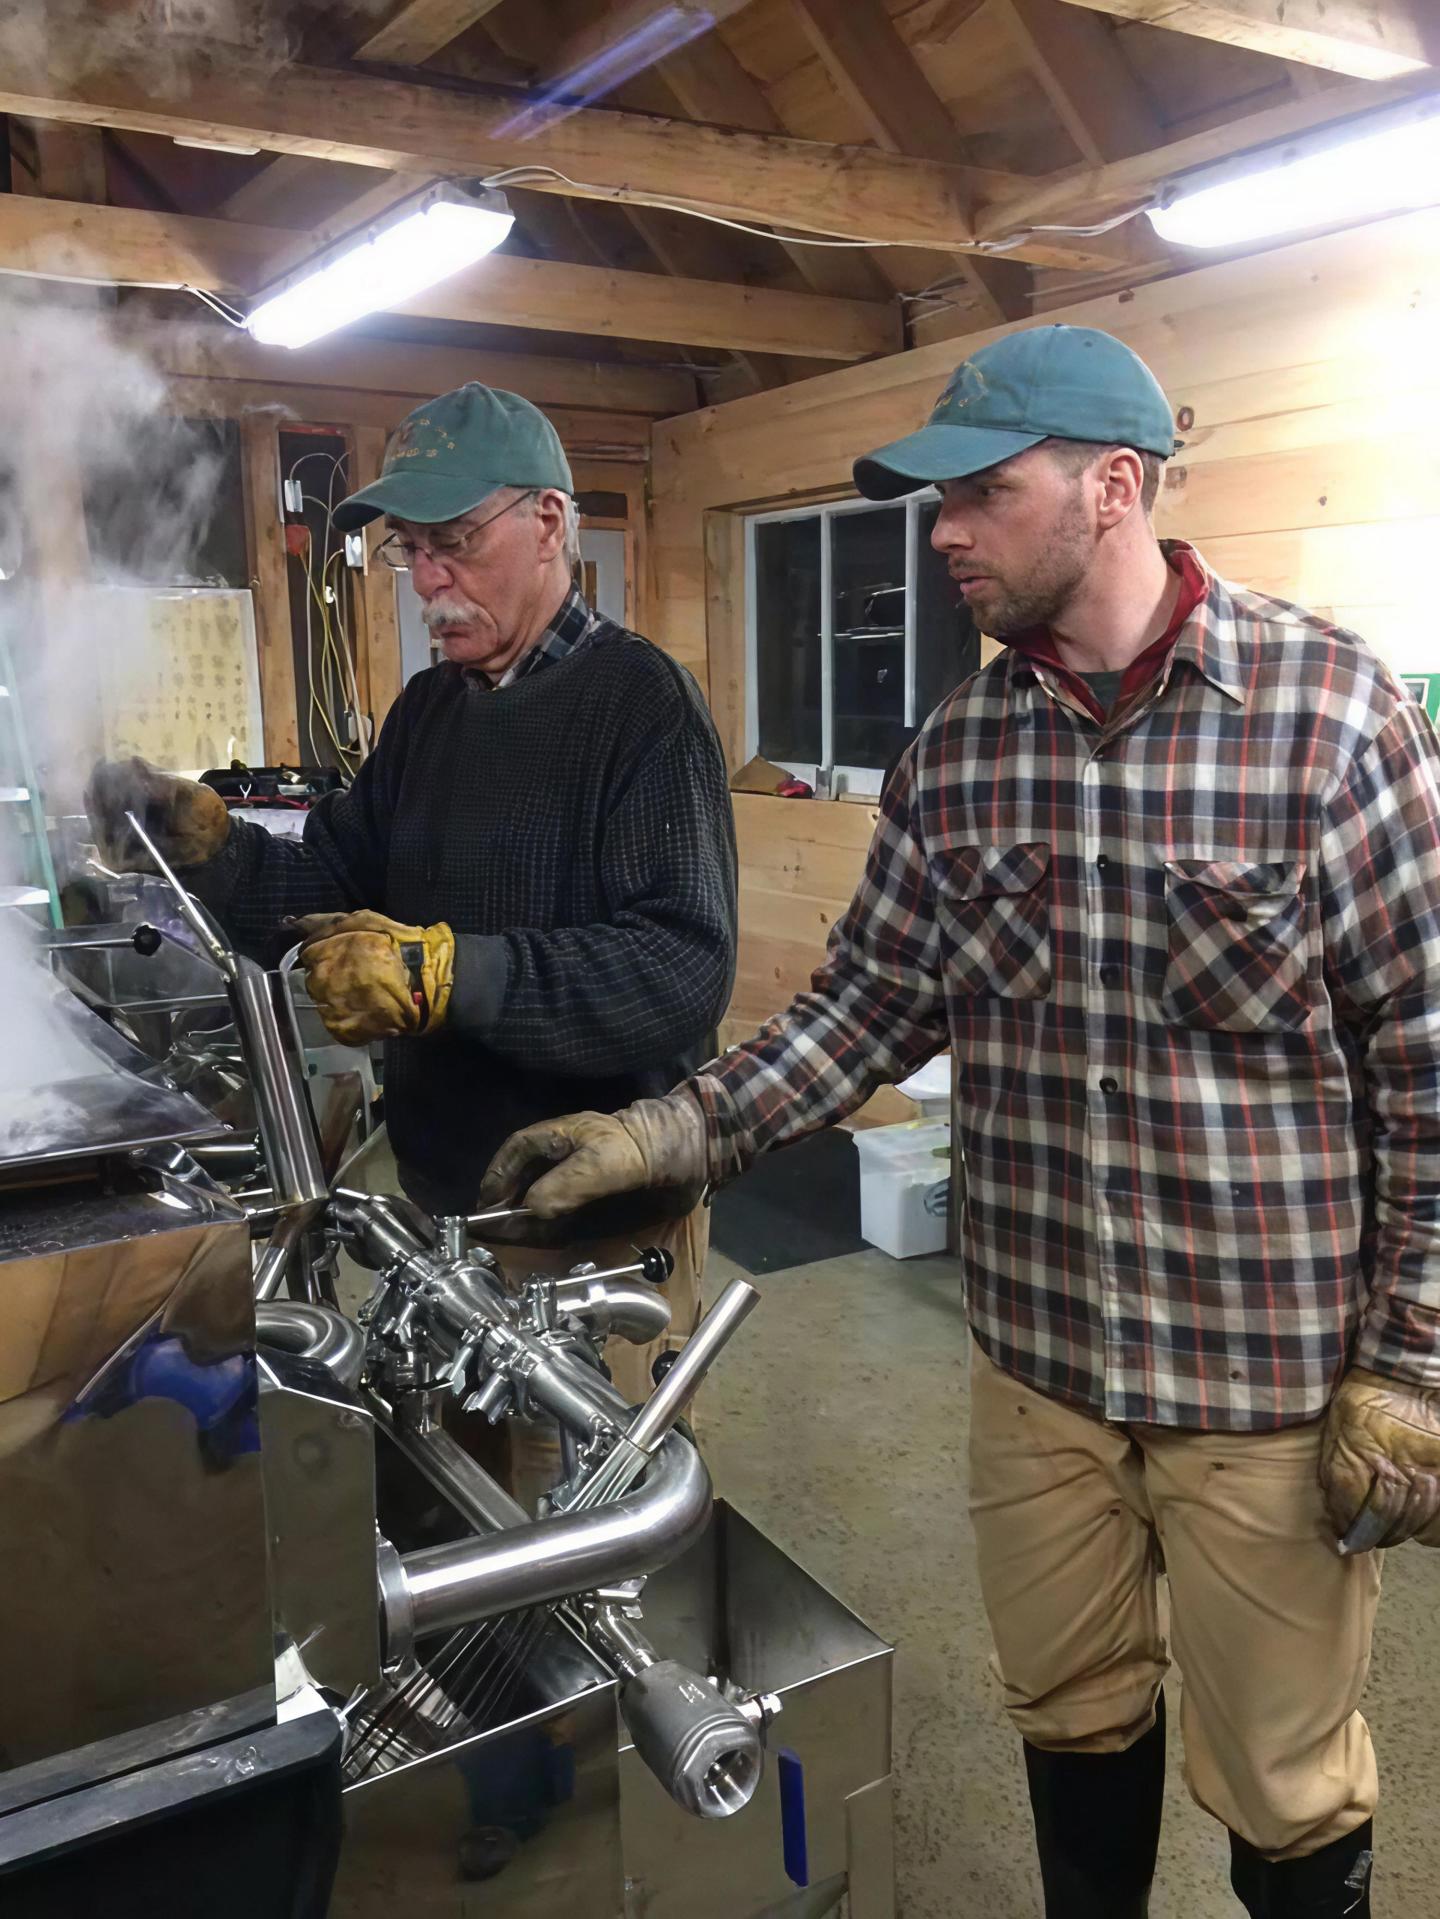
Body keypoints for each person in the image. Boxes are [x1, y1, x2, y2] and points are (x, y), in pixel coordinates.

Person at [477, 326, 1440, 1918]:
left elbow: (1425, 1056)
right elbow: (862, 1009)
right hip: (1039, 1361)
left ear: (1113, 487)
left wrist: (1410, 1358)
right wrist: (670, 1132)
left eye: (983, 493)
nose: (943, 533)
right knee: (1068, 1709)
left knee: (1287, 1778)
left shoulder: (1330, 719)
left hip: (1259, 1380)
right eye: (940, 501)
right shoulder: (960, 751)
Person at [87, 382, 738, 1405]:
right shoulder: (431, 708)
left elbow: (679, 968)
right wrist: (213, 848)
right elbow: (324, 884)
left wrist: (447, 974)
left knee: (582, 1500)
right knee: (453, 1482)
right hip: (440, 1211)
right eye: (411, 548)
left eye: (456, 542)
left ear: (549, 523)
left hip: (594, 1230)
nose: (429, 579)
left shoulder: (643, 706)